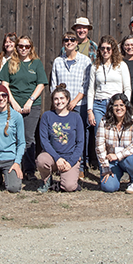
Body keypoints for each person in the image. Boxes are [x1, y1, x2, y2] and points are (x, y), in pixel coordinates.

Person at [0, 35, 48, 178]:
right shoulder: (10, 63)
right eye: (21, 46)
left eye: (27, 46)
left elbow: (41, 84)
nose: (23, 49)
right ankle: (12, 168)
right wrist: (13, 102)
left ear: (31, 48)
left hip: (32, 106)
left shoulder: (36, 63)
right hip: (13, 105)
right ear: (16, 47)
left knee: (28, 137)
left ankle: (29, 170)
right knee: (11, 136)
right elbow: (4, 84)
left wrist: (30, 101)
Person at [51, 31, 93, 169]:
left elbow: (86, 84)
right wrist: (58, 103)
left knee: (80, 135)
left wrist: (74, 101)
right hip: (61, 106)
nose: (69, 42)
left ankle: (80, 165)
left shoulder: (85, 61)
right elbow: (53, 83)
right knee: (61, 133)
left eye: (72, 40)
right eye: (66, 40)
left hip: (79, 104)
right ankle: (61, 163)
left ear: (76, 43)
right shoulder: (58, 61)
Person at [36, 84, 85, 193]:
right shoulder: (47, 116)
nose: (59, 101)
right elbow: (44, 141)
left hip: (70, 157)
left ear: (68, 100)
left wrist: (71, 162)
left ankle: (64, 181)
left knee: (69, 187)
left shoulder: (76, 117)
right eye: (56, 99)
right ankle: (46, 181)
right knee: (41, 160)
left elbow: (80, 143)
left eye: (62, 98)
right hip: (52, 156)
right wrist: (57, 158)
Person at [96, 93, 133, 194]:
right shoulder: (104, 121)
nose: (119, 108)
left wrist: (117, 156)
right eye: (116, 105)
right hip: (111, 162)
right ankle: (115, 178)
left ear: (126, 106)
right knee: (108, 187)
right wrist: (105, 166)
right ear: (111, 107)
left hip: (128, 158)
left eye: (122, 105)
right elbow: (99, 146)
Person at [89, 36, 132, 129]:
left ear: (113, 50)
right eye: (102, 48)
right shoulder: (95, 66)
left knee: (114, 132)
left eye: (108, 48)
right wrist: (90, 110)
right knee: (99, 133)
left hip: (116, 104)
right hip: (99, 104)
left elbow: (127, 88)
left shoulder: (121, 65)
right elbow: (91, 90)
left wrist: (125, 105)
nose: (105, 51)